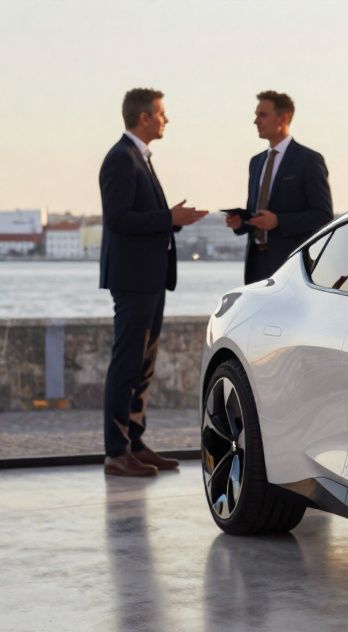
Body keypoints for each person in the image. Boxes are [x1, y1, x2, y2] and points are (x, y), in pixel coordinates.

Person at [99, 88, 207, 477]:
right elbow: (118, 219)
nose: (166, 120)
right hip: (133, 279)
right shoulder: (120, 159)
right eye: (162, 113)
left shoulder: (138, 158)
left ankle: (134, 444)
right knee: (127, 363)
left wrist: (169, 218)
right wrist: (167, 217)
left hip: (150, 278)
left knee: (142, 365)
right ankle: (116, 452)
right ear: (144, 117)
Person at [226, 90, 333, 284]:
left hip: (290, 265)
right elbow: (256, 214)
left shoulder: (308, 160)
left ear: (284, 118)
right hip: (256, 265)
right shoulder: (256, 162)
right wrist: (241, 223)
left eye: (262, 115)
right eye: (256, 115)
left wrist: (279, 221)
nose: (256, 121)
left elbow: (323, 216)